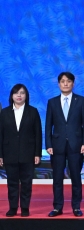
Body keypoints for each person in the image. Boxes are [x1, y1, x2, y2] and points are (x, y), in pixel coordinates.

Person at [45, 72, 84, 217]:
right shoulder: (52, 102)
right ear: (58, 84)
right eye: (62, 81)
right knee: (57, 177)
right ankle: (57, 207)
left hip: (76, 144)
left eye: (68, 81)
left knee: (76, 177)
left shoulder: (81, 101)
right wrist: (48, 144)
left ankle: (76, 207)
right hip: (57, 145)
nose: (65, 84)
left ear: (73, 83)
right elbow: (48, 125)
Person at [0, 84, 42, 217]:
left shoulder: (33, 111)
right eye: (16, 93)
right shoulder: (4, 112)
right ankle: (13, 208)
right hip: (9, 153)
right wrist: (0, 155)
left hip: (28, 153)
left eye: (22, 93)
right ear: (11, 96)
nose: (19, 95)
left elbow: (38, 134)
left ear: (26, 96)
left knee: (26, 182)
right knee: (11, 182)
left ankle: (25, 208)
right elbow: (0, 134)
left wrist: (37, 153)